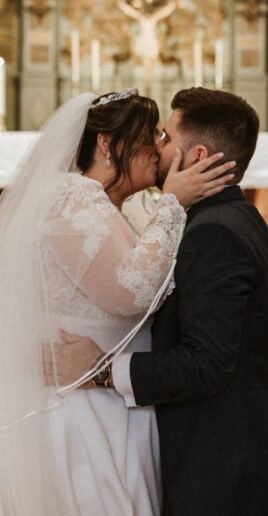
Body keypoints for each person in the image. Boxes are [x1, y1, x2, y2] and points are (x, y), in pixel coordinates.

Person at [58, 87, 268, 515]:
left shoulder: (214, 234)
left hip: (233, 471)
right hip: (235, 458)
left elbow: (205, 364)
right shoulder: (232, 218)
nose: (157, 147)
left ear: (198, 156)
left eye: (166, 137)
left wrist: (102, 371)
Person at [0, 88, 235, 516]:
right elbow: (130, 291)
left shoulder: (107, 205)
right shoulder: (73, 196)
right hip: (82, 409)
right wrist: (173, 204)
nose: (157, 149)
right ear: (108, 144)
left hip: (115, 399)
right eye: (149, 136)